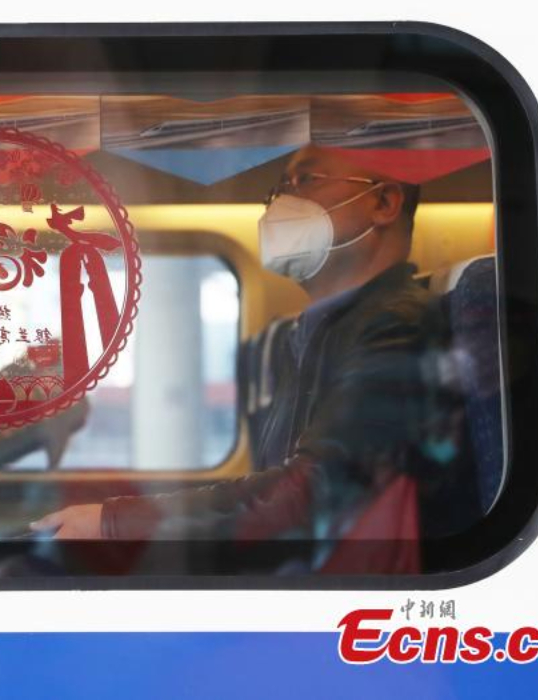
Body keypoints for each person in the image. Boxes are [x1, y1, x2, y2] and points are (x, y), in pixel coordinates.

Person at [31, 144, 473, 557]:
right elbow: (273, 488)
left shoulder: (395, 327)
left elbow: (313, 495)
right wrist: (114, 515)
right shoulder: (313, 335)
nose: (280, 202)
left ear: (384, 204)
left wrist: (115, 524)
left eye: (306, 180)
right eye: (279, 187)